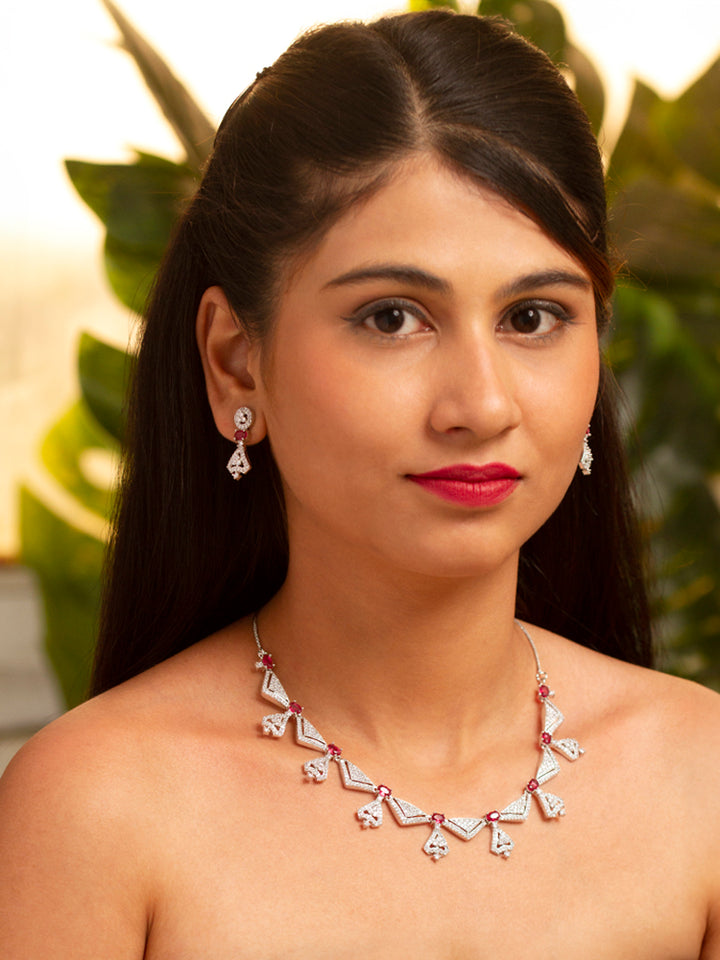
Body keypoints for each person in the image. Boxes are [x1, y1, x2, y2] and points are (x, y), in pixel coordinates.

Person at [1, 8, 719, 957]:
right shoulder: (96, 811)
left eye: (535, 315)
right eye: (391, 318)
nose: (480, 404)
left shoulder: (699, 776)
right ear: (235, 361)